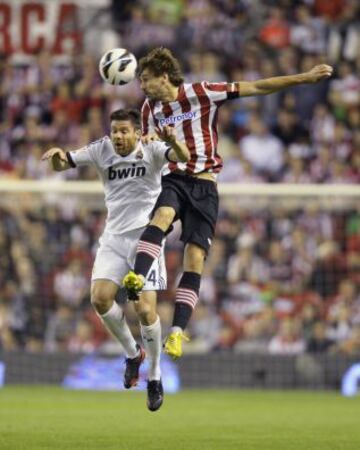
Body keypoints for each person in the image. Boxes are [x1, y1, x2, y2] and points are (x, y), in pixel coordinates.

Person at [122, 47, 333, 360]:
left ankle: (177, 332)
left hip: (205, 185)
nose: (142, 85)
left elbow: (258, 87)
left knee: (194, 259)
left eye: (146, 79)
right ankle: (137, 278)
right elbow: (146, 147)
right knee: (162, 216)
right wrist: (148, 143)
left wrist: (304, 78)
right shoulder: (148, 110)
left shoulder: (203, 92)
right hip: (174, 179)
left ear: (164, 76)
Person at [42, 108, 190, 411]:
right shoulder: (100, 149)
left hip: (147, 238)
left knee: (145, 310)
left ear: (137, 132)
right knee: (99, 298)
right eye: (115, 131)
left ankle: (155, 376)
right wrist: (58, 155)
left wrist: (173, 142)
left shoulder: (152, 148)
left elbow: (184, 157)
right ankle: (133, 354)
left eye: (124, 131)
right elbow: (63, 164)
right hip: (114, 238)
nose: (119, 136)